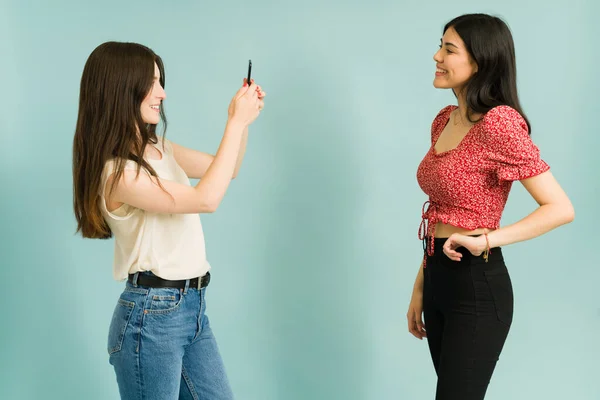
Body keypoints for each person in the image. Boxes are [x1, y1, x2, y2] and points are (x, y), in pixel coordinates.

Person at [72, 41, 265, 399]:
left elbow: (228, 170)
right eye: (152, 82)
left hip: (192, 309)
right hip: (151, 317)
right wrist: (236, 123)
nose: (162, 93)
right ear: (121, 87)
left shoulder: (162, 148)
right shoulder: (118, 173)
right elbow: (205, 199)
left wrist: (239, 122)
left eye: (161, 81)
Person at [406, 14, 574, 400]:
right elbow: (442, 212)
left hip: (475, 288)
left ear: (479, 61)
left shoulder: (499, 123)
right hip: (437, 280)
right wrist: (421, 286)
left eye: (449, 49)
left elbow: (560, 207)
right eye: (440, 45)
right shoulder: (444, 121)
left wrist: (488, 240)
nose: (436, 55)